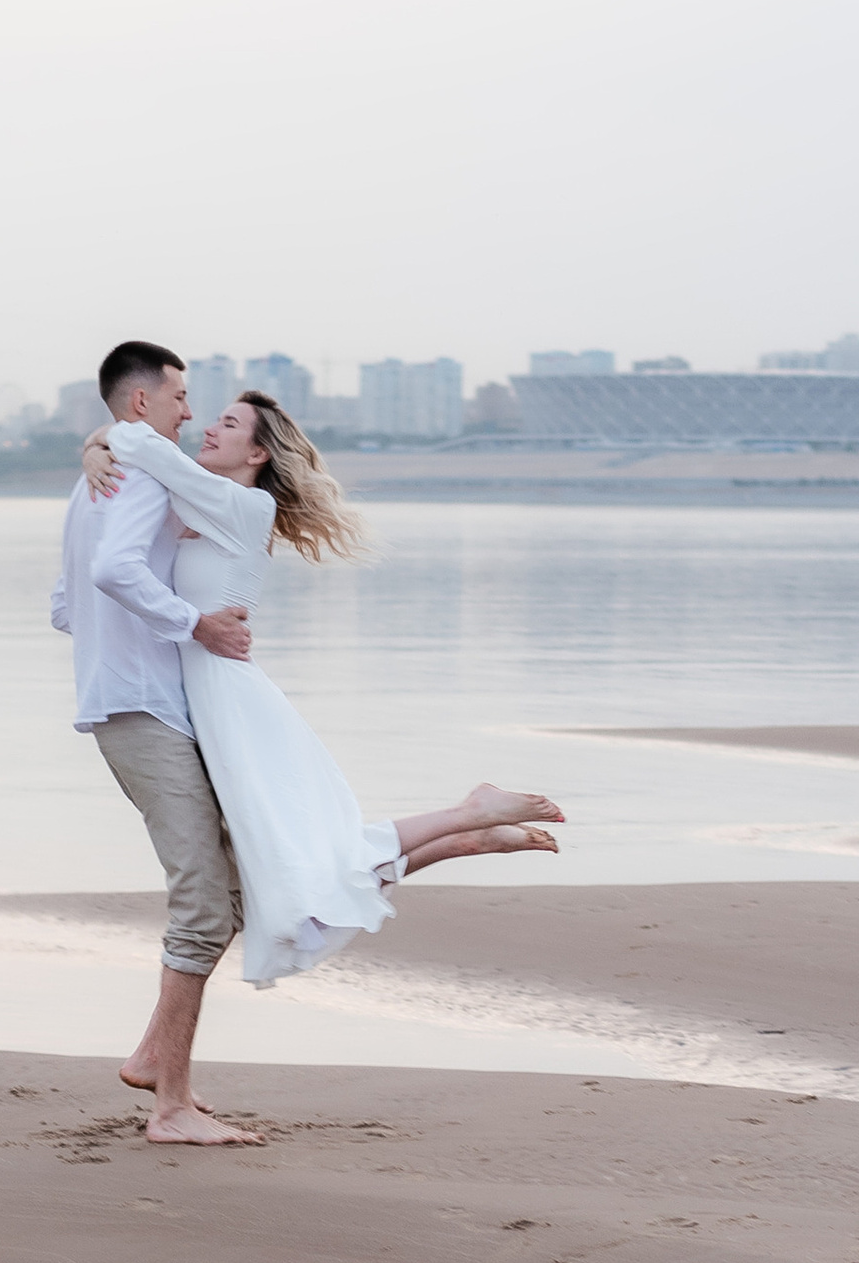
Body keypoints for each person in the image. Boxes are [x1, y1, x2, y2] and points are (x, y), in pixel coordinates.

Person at [81, 365, 563, 996]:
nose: (204, 426)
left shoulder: (243, 505)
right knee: (293, 864)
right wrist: (95, 447)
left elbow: (140, 443)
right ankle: (472, 831)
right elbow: (139, 455)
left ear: (256, 451)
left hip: (231, 701)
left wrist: (97, 445)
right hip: (212, 698)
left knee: (303, 857)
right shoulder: (205, 499)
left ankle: (470, 813)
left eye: (227, 423)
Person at [50, 339, 262, 1148]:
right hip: (142, 711)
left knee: (224, 895)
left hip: (138, 705)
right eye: (179, 395)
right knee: (206, 903)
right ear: (141, 403)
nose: (188, 409)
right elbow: (109, 574)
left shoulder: (99, 475)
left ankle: (155, 1061)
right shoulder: (132, 471)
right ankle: (170, 1105)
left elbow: (66, 603)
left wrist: (132, 636)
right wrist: (193, 622)